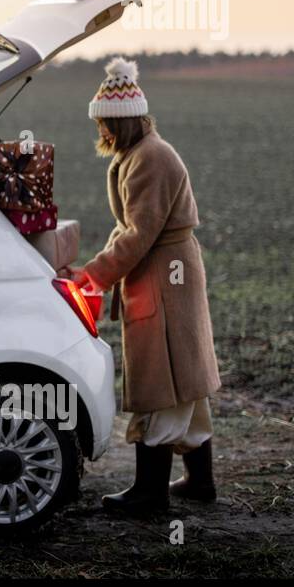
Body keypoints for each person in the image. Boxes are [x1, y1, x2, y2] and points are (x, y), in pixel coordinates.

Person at [71, 57, 221, 516]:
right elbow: (133, 229)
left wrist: (92, 276)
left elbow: (139, 234)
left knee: (163, 382)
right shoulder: (139, 153)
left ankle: (149, 493)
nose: (104, 135)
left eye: (107, 125)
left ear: (123, 119)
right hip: (164, 273)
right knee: (184, 385)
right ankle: (199, 482)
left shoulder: (150, 158)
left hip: (163, 277)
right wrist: (99, 268)